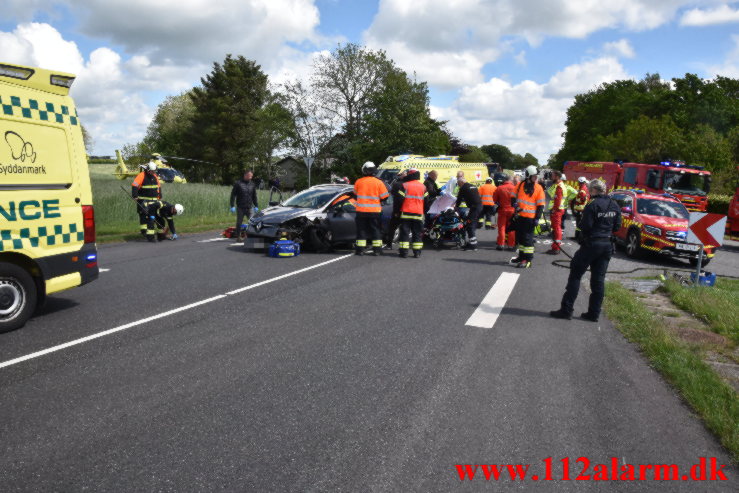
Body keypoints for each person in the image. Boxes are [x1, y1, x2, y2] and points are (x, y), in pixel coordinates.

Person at [550, 179, 621, 322]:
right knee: (598, 280)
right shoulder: (614, 205)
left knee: (575, 275)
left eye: (590, 190)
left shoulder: (592, 205)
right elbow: (617, 227)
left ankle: (566, 310)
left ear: (593, 190)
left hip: (592, 245)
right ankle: (594, 314)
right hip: (607, 245)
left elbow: (585, 226)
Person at [510, 166, 545, 268]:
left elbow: (541, 205)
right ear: (528, 176)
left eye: (536, 176)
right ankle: (521, 257)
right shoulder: (520, 185)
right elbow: (513, 196)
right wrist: (515, 205)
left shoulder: (538, 188)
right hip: (520, 216)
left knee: (528, 239)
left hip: (530, 218)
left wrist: (537, 218)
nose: (536, 178)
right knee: (520, 238)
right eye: (534, 176)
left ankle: (528, 260)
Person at [354, 161, 389, 256]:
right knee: (375, 230)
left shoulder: (358, 181)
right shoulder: (379, 182)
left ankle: (360, 250)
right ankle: (377, 250)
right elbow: (385, 196)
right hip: (375, 212)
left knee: (361, 230)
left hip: (361, 211)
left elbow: (355, 195)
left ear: (364, 170)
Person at [397, 168, 428, 258]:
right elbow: (427, 201)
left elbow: (399, 199)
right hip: (418, 214)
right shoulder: (423, 187)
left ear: (409, 175)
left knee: (405, 233)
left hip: (406, 213)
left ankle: (404, 253)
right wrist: (423, 211)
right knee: (417, 233)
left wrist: (397, 211)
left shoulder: (405, 185)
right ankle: (417, 252)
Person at [131, 158, 162, 237]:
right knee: (143, 216)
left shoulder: (154, 176)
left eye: (154, 171)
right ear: (148, 170)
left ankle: (150, 231)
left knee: (153, 216)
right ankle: (144, 231)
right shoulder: (141, 175)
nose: (153, 172)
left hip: (154, 201)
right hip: (143, 201)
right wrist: (135, 196)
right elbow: (135, 185)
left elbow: (158, 186)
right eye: (152, 171)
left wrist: (159, 195)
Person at [455, 174, 482, 251]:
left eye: (458, 184)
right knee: (471, 225)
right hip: (479, 207)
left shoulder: (463, 188)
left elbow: (459, 199)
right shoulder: (473, 186)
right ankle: (473, 243)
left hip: (474, 208)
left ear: (461, 183)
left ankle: (473, 246)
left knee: (470, 225)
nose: (459, 186)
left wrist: (455, 208)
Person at [230, 171, 259, 242]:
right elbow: (233, 195)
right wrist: (232, 205)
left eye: (251, 176)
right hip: (240, 207)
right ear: (245, 175)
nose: (250, 177)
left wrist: (256, 205)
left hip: (250, 207)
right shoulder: (238, 184)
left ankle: (249, 236)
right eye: (249, 176)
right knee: (239, 222)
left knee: (252, 222)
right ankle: (238, 237)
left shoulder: (252, 184)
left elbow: (254, 196)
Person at [384, 169, 408, 249]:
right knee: (405, 229)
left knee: (392, 227)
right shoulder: (410, 185)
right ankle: (403, 246)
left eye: (400, 174)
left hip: (398, 210)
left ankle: (389, 244)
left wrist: (396, 211)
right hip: (408, 210)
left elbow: (395, 197)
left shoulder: (397, 184)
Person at [493, 174, 516, 250]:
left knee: (502, 228)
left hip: (502, 210)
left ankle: (501, 244)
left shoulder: (499, 188)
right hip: (512, 210)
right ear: (510, 180)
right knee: (512, 228)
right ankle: (511, 245)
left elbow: (495, 199)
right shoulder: (515, 188)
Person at [545, 170, 566, 255]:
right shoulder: (558, 185)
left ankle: (556, 248)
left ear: (557, 176)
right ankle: (555, 246)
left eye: (553, 175)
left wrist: (554, 210)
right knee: (556, 228)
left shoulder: (559, 187)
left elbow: (557, 200)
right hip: (558, 210)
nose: (551, 177)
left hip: (557, 211)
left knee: (557, 229)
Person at [572, 176, 590, 240]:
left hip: (580, 209)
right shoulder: (586, 188)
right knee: (579, 223)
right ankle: (578, 236)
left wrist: (577, 201)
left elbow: (583, 199)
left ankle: (578, 237)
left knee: (579, 224)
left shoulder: (582, 190)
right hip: (583, 208)